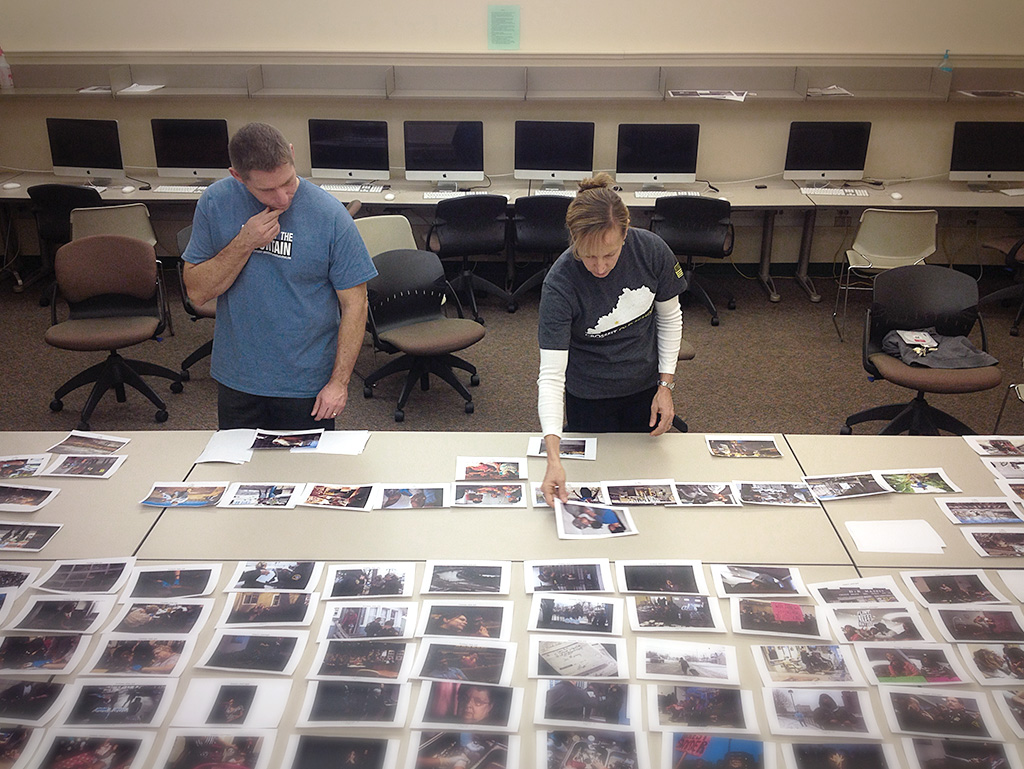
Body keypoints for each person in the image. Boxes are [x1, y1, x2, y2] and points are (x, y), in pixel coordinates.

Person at [182, 122, 376, 430]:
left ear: (292, 154)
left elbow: (356, 304)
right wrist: (245, 243)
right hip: (238, 377)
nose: (283, 198)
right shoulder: (215, 202)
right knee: (239, 461)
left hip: (306, 382)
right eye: (267, 190)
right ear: (237, 176)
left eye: (287, 182)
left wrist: (339, 383)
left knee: (305, 462)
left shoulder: (330, 215)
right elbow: (197, 292)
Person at [537, 172, 685, 505]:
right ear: (574, 240)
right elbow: (551, 376)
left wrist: (666, 386)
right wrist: (554, 459)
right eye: (589, 256)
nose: (601, 267)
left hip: (644, 386)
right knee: (597, 482)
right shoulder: (560, 284)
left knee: (643, 478)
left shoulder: (652, 251)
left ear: (625, 234)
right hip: (589, 394)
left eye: (610, 254)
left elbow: (670, 317)